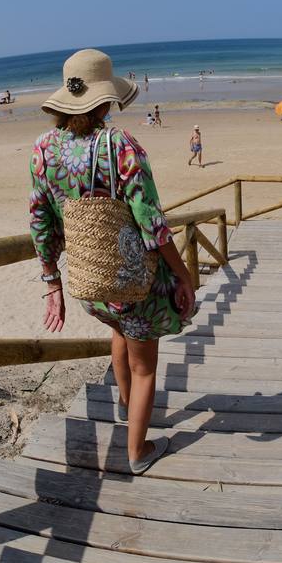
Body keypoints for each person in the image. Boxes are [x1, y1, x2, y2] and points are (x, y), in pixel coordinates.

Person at [31, 49, 195, 474]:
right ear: (106, 100)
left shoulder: (44, 150)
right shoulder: (119, 146)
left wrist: (52, 281)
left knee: (118, 331)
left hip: (89, 281)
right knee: (145, 368)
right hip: (132, 280)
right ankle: (138, 451)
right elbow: (152, 223)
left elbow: (40, 219)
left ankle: (126, 409)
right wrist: (183, 275)